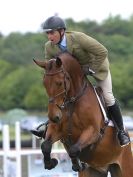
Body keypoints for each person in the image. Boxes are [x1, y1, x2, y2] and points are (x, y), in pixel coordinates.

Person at [31, 16, 130, 147]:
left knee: (108, 97)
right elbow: (51, 67)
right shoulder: (49, 47)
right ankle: (49, 128)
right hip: (73, 77)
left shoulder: (78, 38)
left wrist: (91, 69)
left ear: (61, 31)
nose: (49, 37)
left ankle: (121, 132)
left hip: (97, 68)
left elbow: (102, 51)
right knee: (59, 97)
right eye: (47, 33)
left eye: (52, 33)